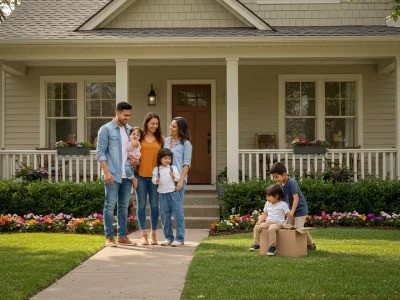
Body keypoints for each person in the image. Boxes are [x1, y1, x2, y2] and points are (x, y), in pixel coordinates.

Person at [97, 101, 137, 247]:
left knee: (123, 206)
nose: (127, 118)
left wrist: (135, 163)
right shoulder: (106, 129)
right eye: (125, 115)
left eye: (129, 115)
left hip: (127, 175)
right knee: (109, 205)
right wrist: (106, 172)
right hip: (112, 174)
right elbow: (100, 152)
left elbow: (131, 152)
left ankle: (122, 236)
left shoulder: (130, 130)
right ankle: (109, 237)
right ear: (117, 113)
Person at [270, 162, 317, 250]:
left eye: (277, 177)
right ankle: (310, 244)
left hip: (299, 209)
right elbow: (283, 200)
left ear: (284, 174)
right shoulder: (281, 184)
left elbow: (296, 198)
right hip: (290, 210)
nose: (275, 179)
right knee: (287, 226)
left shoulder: (291, 183)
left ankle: (305, 245)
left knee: (298, 229)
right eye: (274, 177)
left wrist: (292, 211)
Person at [163, 117, 192, 247]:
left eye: (174, 126)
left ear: (180, 129)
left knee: (177, 210)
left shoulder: (186, 144)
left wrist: (181, 181)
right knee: (165, 210)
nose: (171, 128)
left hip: (178, 181)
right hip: (165, 181)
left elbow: (186, 163)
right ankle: (168, 237)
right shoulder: (167, 141)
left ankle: (179, 238)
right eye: (170, 125)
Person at [136, 112, 164, 245]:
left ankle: (153, 234)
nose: (155, 126)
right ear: (146, 123)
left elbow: (165, 158)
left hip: (155, 178)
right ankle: (143, 235)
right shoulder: (139, 138)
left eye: (157, 124)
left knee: (154, 206)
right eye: (153, 123)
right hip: (140, 176)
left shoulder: (161, 139)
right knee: (141, 206)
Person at [152, 148, 184, 247]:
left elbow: (178, 178)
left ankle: (179, 238)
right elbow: (153, 179)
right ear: (160, 159)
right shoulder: (156, 169)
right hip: (162, 194)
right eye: (165, 158)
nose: (167, 160)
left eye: (169, 158)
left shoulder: (173, 168)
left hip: (173, 193)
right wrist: (156, 181)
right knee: (165, 216)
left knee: (178, 215)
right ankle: (168, 237)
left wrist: (174, 176)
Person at [249, 184, 290, 255]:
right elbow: (265, 214)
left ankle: (272, 246)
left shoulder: (283, 204)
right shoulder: (267, 203)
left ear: (276, 196)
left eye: (269, 196)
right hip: (268, 222)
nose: (267, 198)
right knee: (257, 227)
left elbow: (288, 214)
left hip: (278, 223)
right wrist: (259, 221)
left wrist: (288, 218)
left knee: (271, 228)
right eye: (266, 196)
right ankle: (257, 244)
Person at [125, 126, 142, 191]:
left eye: (138, 135)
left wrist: (131, 138)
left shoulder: (136, 142)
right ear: (130, 134)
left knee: (127, 169)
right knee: (129, 171)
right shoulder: (129, 142)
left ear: (140, 138)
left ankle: (133, 179)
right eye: (133, 134)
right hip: (130, 159)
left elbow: (134, 144)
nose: (135, 136)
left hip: (133, 159)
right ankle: (133, 186)